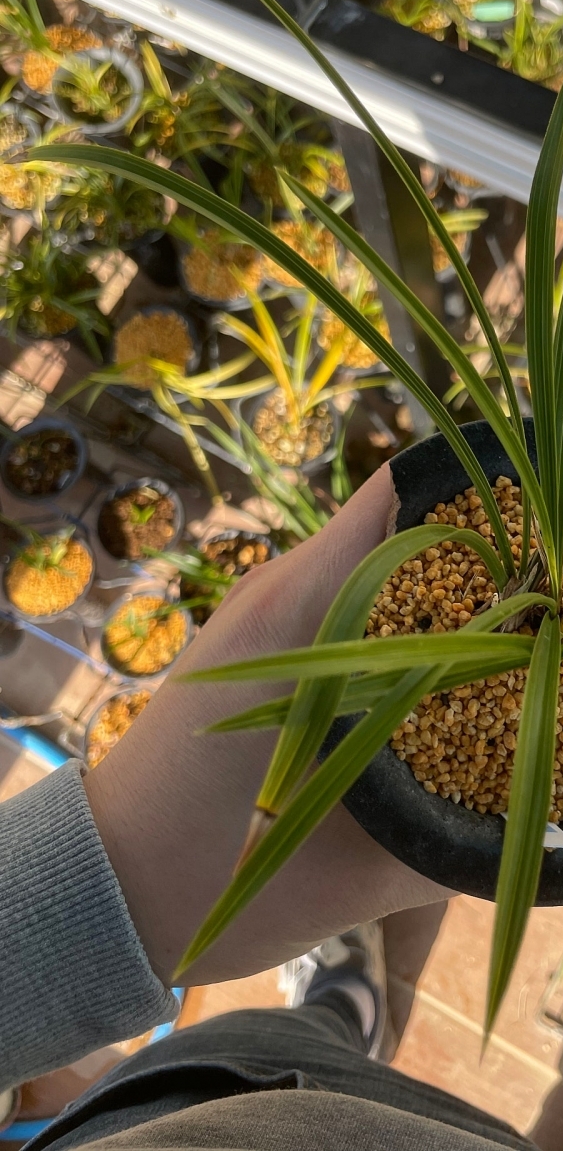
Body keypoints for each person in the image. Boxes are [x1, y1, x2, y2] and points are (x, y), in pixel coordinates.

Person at [1, 464, 535, 1150]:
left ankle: (340, 1007)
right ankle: (343, 1006)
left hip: (164, 1105)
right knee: (262, 1050)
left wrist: (118, 890)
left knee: (254, 1040)